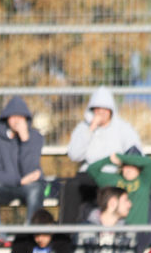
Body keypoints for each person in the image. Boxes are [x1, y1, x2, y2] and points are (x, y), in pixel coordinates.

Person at [61, 86, 142, 224]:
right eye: (97, 110)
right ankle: (66, 236)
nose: (100, 113)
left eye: (104, 109)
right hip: (89, 175)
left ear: (111, 110)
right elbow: (74, 155)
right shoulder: (83, 128)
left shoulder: (123, 128)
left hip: (114, 175)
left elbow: (136, 152)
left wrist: (123, 163)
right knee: (71, 186)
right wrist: (90, 130)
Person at [0, 96, 45, 230]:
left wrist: (25, 140)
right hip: (5, 185)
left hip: (28, 186)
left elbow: (30, 169)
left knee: (36, 190)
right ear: (6, 118)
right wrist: (19, 181)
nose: (16, 121)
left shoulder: (35, 137)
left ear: (26, 119)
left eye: (20, 116)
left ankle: (32, 233)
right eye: (12, 116)